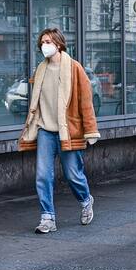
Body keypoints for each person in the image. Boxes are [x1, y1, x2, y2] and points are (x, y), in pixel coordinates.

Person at [18, 28, 101, 233]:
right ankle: (48, 218)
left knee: (73, 175)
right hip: (45, 130)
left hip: (68, 131)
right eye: (42, 42)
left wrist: (90, 131)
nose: (44, 45)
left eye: (48, 41)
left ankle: (85, 200)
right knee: (43, 176)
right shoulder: (41, 69)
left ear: (58, 44)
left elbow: (85, 103)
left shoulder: (74, 69)